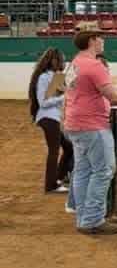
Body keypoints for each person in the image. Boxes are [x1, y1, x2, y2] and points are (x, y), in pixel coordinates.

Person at [64, 24, 117, 235]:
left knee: (84, 171)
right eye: (101, 38)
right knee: (103, 170)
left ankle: (84, 218)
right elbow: (112, 95)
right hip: (92, 125)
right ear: (92, 41)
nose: (103, 41)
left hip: (76, 123)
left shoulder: (74, 64)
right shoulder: (94, 65)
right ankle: (93, 219)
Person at [29, 47, 73, 194]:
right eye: (62, 59)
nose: (64, 62)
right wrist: (64, 96)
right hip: (48, 118)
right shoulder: (44, 77)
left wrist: (67, 90)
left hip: (54, 117)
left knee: (68, 147)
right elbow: (44, 102)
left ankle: (58, 178)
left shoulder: (56, 76)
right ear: (55, 61)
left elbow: (60, 97)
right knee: (54, 151)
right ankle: (51, 185)